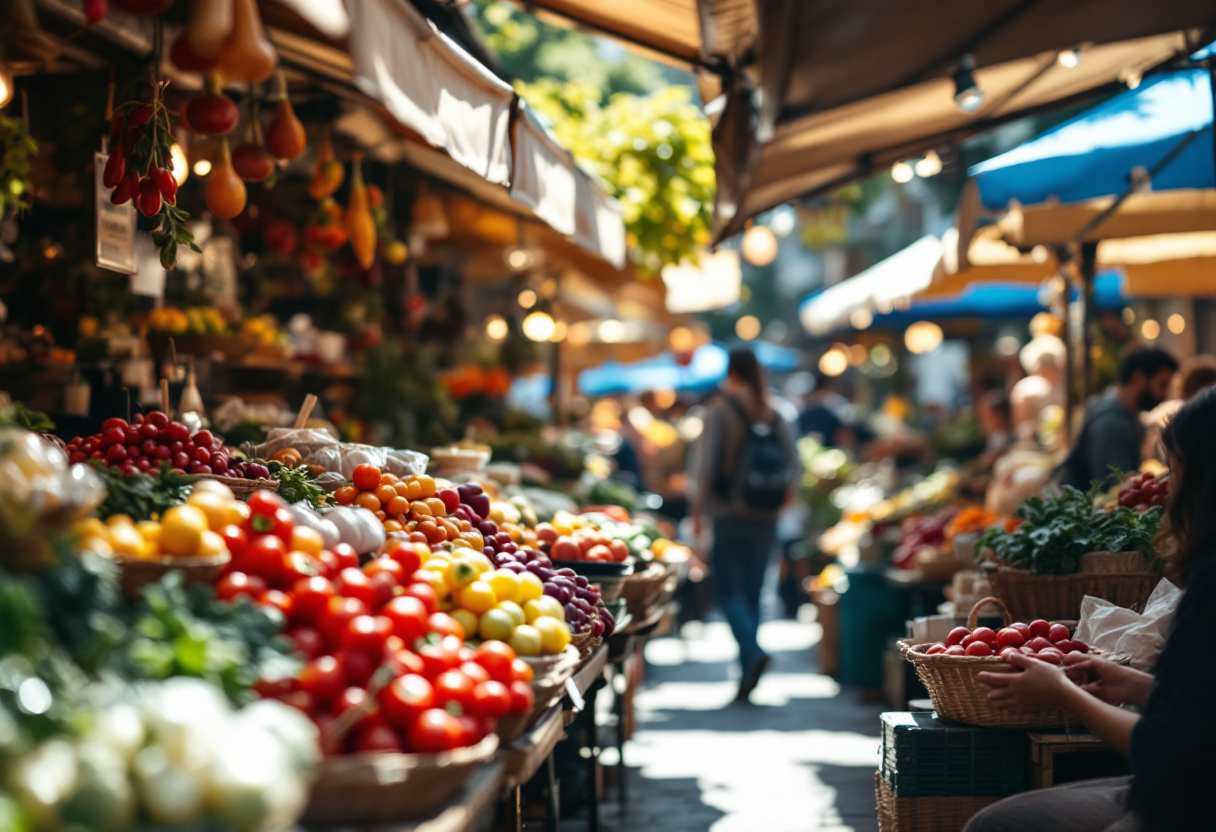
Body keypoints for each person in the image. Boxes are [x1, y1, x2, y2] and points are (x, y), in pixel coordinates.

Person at [966, 386, 1216, 832]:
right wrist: (1136, 686)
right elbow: (1202, 714)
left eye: (1174, 470)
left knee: (993, 826)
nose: (1165, 489)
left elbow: (1164, 748)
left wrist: (1065, 694)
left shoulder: (1210, 581)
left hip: (1186, 805)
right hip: (1184, 788)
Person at [689, 348, 798, 702]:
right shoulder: (776, 411)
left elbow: (705, 469)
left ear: (731, 373)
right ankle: (747, 666)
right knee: (752, 591)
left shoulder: (720, 411)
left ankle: (750, 653)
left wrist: (697, 511)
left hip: (728, 512)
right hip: (766, 514)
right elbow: (794, 465)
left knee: (726, 590)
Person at [1056, 347, 1178, 490]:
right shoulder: (1111, 424)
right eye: (1162, 385)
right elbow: (1115, 487)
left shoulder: (1114, 409)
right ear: (1138, 378)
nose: (1166, 393)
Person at [1010, 334, 1066, 439]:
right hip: (1031, 441)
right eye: (1046, 362)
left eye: (1051, 362)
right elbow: (1019, 423)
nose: (1050, 367)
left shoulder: (1061, 388)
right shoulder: (1026, 388)